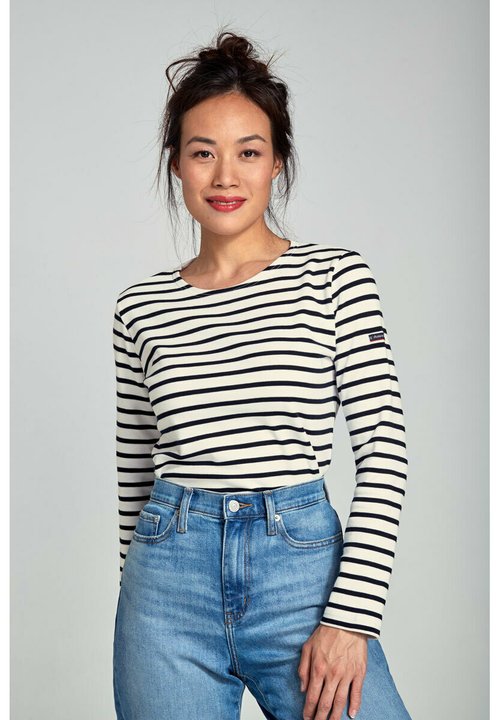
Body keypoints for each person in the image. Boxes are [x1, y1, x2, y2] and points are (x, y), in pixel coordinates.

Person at [112, 28, 412, 720]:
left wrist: (352, 620)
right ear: (177, 164)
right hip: (165, 592)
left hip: (302, 582)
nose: (225, 177)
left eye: (248, 152)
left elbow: (385, 452)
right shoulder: (140, 308)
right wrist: (138, 593)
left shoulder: (334, 278)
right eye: (203, 153)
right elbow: (134, 473)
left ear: (277, 160)